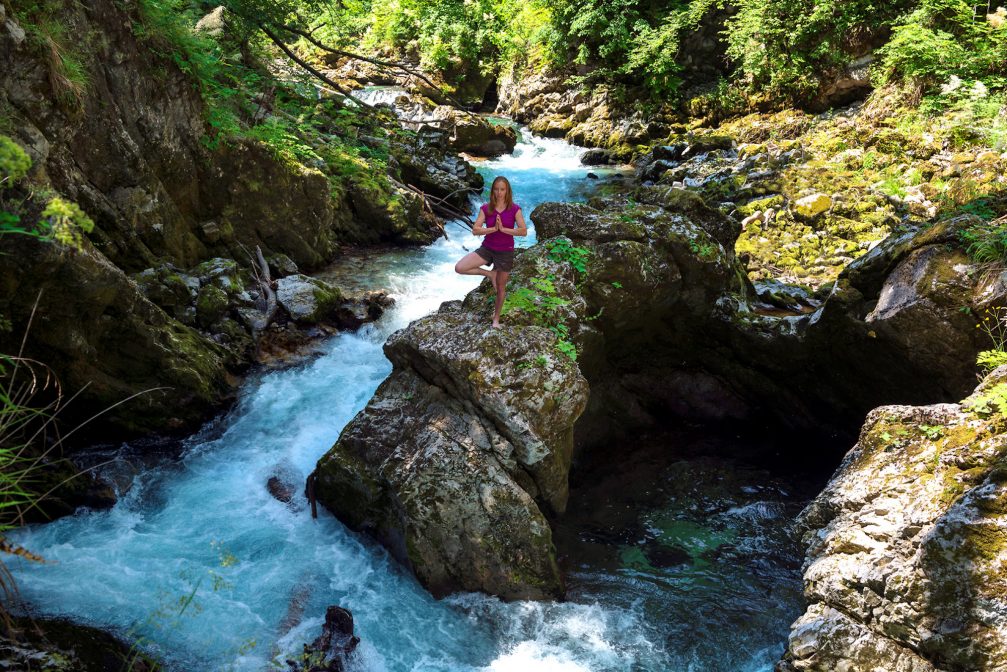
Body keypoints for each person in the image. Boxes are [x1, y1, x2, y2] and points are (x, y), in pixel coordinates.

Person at [454, 176, 527, 328]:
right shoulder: (486, 208)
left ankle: (496, 320)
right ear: (493, 190)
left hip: (505, 252)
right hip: (487, 248)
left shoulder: (514, 209)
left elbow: (523, 231)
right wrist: (493, 229)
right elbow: (476, 229)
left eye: (502, 189)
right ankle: (490, 273)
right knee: (460, 267)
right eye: (496, 189)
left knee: (500, 288)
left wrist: (503, 230)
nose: (499, 193)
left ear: (507, 191)